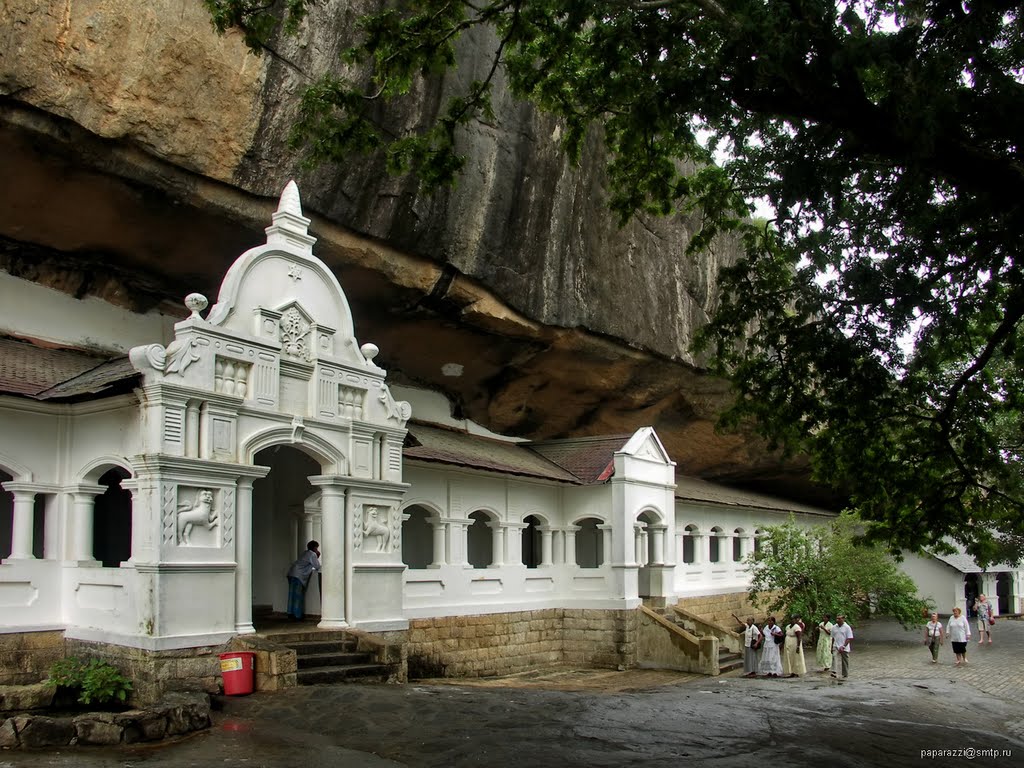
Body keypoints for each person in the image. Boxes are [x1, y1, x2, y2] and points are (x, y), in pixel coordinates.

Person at [286, 540, 321, 621]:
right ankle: (297, 615)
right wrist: (317, 556)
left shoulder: (305, 553)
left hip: (292, 573)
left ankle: (290, 613)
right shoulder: (312, 554)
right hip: (299, 575)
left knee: (292, 595)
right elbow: (317, 566)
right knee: (298, 595)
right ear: (315, 547)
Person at [829, 614, 853, 681]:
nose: (837, 620)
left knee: (845, 660)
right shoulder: (834, 627)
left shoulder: (847, 627)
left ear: (843, 619)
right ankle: (834, 671)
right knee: (834, 656)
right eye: (837, 618)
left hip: (844, 646)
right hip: (836, 645)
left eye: (839, 619)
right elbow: (833, 637)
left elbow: (849, 638)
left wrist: (844, 646)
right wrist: (831, 646)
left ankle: (845, 674)